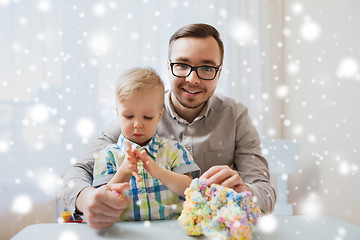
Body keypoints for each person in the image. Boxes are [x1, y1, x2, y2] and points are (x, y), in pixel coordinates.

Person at [59, 23, 276, 230]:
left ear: (219, 72)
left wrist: (244, 191)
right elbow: (75, 173)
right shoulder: (139, 113)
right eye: (182, 65)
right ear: (169, 67)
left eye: (207, 68)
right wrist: (88, 200)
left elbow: (265, 191)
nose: (192, 79)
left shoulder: (236, 116)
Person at [93, 67, 200, 221]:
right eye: (129, 116)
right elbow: (101, 202)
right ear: (118, 114)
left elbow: (190, 190)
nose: (137, 124)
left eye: (147, 117)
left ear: (159, 116)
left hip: (170, 231)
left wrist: (159, 172)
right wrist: (123, 173)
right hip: (124, 233)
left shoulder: (174, 150)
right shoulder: (107, 156)